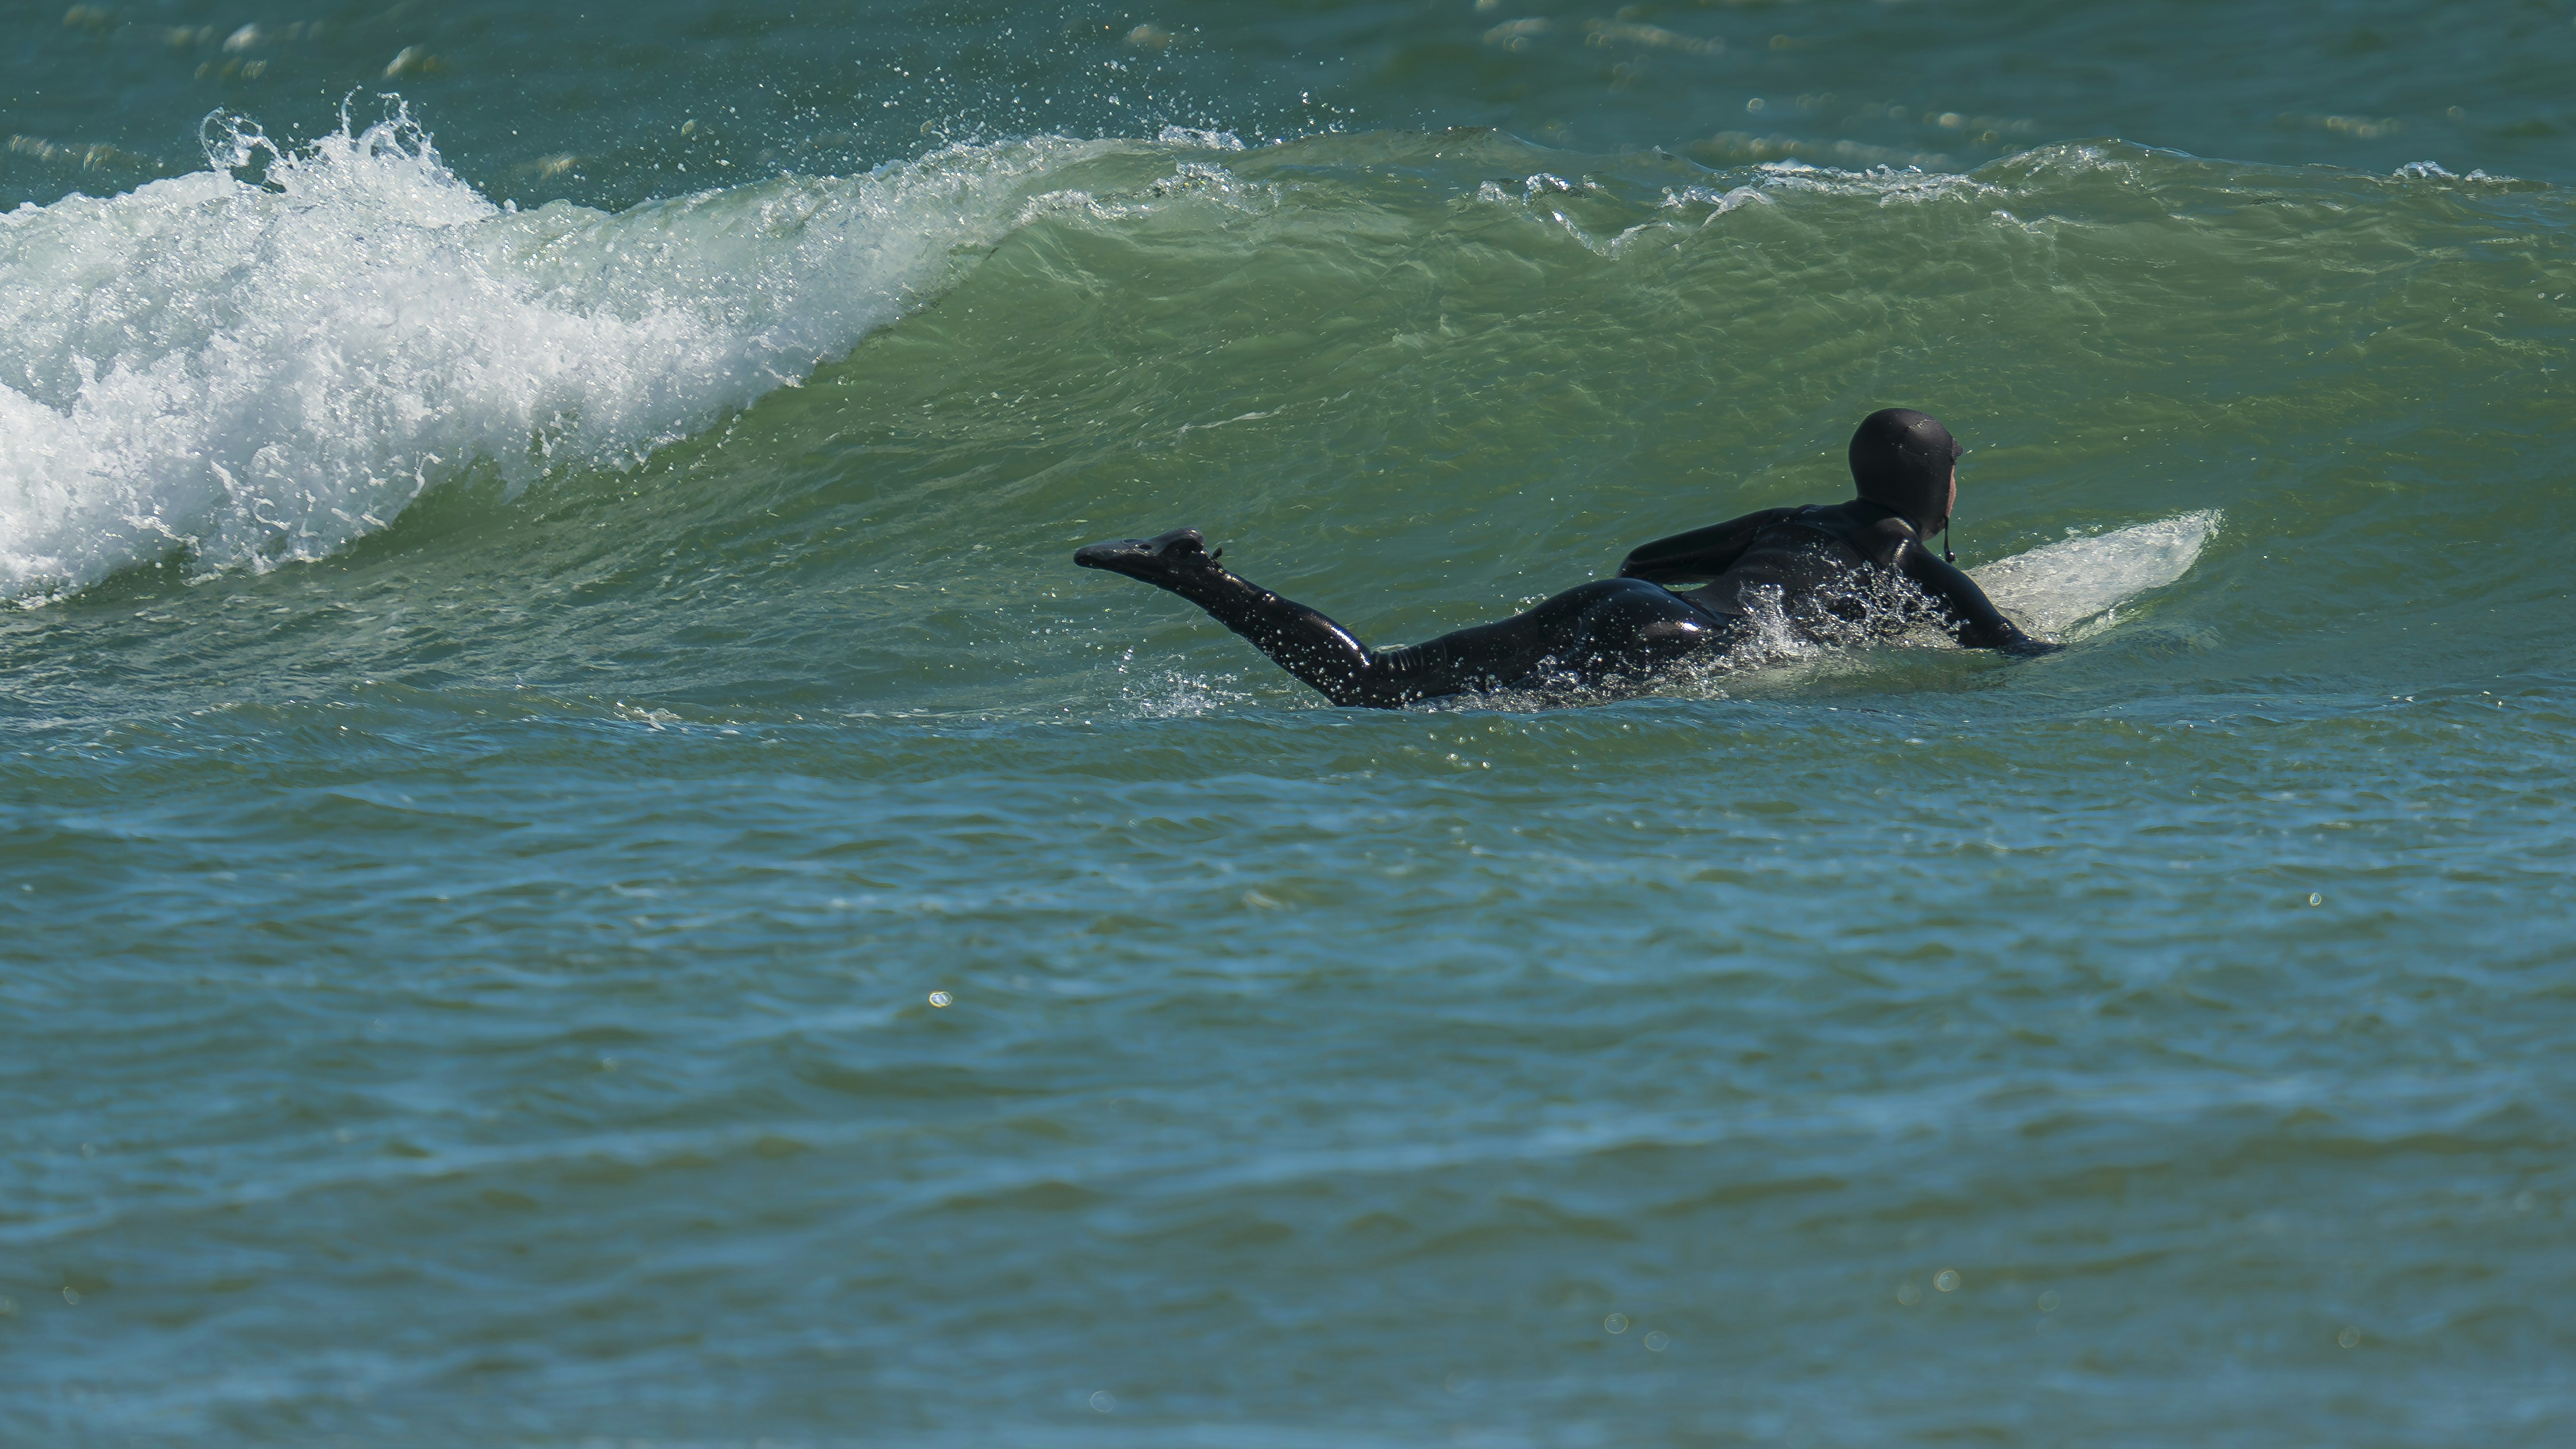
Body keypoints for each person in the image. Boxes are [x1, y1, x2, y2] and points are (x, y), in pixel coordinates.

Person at [1073, 408, 2056, 708]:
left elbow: (1645, 554)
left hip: (1619, 598)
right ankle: (1191, 572)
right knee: (1443, 720)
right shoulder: (1896, 555)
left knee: (1375, 685)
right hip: (1678, 638)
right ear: (1935, 490)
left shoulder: (1793, 516)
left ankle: (1194, 570)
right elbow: (2003, 643)